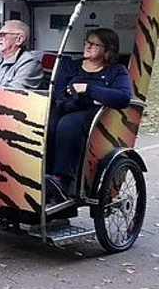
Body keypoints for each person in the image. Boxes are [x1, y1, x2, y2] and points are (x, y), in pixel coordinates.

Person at [45, 28, 132, 205]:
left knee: (68, 124)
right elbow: (57, 92)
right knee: (49, 123)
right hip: (68, 107)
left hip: (95, 118)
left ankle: (62, 180)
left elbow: (123, 97)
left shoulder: (116, 71)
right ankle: (42, 174)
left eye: (94, 44)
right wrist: (91, 98)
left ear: (107, 50)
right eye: (87, 42)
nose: (88, 46)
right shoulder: (71, 66)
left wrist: (87, 89)